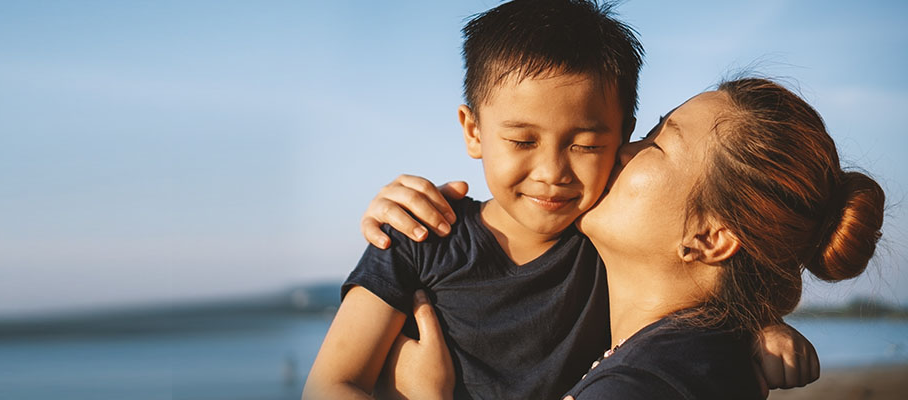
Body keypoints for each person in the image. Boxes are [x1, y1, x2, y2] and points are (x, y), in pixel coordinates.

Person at [303, 1, 816, 399]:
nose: (551, 173)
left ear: (622, 137)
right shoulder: (419, 234)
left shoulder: (606, 245)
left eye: (586, 145)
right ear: (473, 129)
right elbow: (331, 384)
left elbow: (689, 297)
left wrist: (758, 326)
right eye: (522, 141)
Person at [363, 78, 884, 398]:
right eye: (649, 129)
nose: (620, 149)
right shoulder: (694, 357)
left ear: (710, 237)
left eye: (657, 144)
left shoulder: (647, 384)